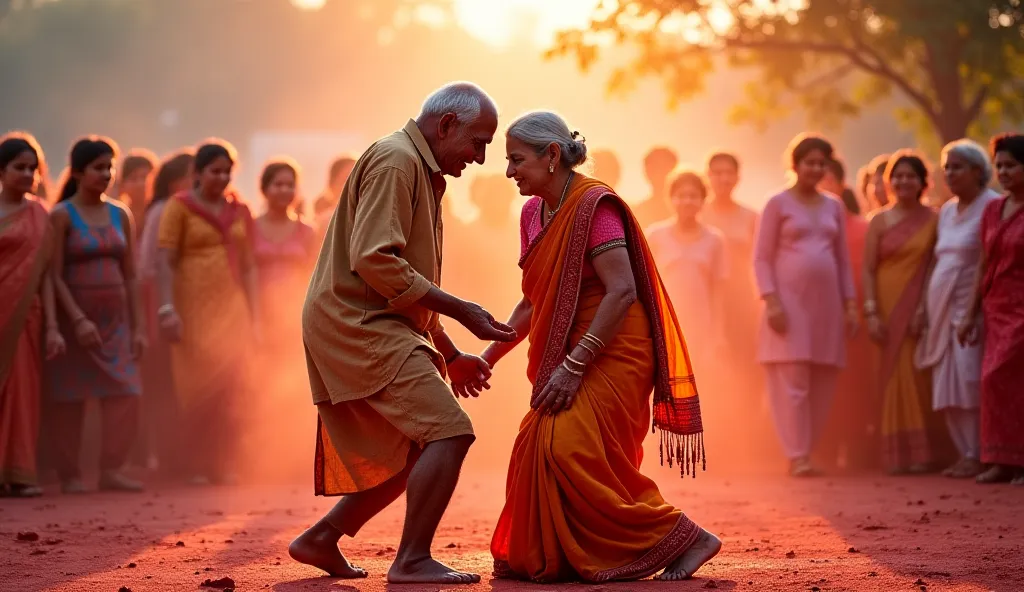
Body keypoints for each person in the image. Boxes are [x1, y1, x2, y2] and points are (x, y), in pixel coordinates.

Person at [291, 82, 516, 585]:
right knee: (449, 431)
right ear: (446, 126)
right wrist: (461, 310)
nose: (479, 158)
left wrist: (452, 352)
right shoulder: (398, 162)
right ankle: (412, 559)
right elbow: (375, 262)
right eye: (478, 142)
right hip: (360, 322)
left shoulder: (417, 165)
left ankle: (321, 539)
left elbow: (406, 278)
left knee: (415, 447)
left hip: (375, 319)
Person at [482, 111, 720, 583]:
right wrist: (488, 356)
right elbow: (536, 299)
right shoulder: (532, 213)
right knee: (537, 445)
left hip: (616, 347)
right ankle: (565, 552)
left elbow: (621, 291)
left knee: (570, 447)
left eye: (516, 160)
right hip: (573, 351)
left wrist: (574, 365)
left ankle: (687, 536)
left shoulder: (595, 206)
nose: (509, 172)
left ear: (552, 156)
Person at [753, 134, 859, 477]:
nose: (815, 168)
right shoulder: (777, 203)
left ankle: (808, 450)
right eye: (809, 162)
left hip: (826, 306)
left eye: (821, 163)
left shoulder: (834, 206)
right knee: (793, 380)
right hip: (788, 305)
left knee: (824, 379)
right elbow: (761, 258)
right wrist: (771, 300)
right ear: (795, 165)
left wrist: (851, 304)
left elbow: (842, 260)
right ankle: (797, 455)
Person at [156, 139, 259, 486]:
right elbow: (165, 261)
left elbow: (249, 268)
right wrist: (167, 308)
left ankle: (224, 464)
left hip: (232, 310)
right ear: (197, 173)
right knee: (195, 388)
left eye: (227, 172)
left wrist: (255, 317)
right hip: (192, 311)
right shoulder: (179, 207)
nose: (221, 178)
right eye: (215, 171)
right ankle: (196, 465)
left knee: (231, 389)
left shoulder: (239, 210)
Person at [48, 136, 145, 494]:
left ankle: (112, 469)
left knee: (127, 392)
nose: (106, 174)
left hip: (116, 321)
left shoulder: (121, 213)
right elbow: (53, 275)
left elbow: (132, 274)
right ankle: (70, 475)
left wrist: (139, 327)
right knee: (69, 398)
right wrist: (75, 320)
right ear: (76, 173)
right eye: (98, 168)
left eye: (110, 167)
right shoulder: (60, 216)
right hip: (77, 321)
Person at [916, 140, 1000, 479]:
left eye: (957, 167)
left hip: (972, 308)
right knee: (946, 383)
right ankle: (965, 452)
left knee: (969, 380)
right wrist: (923, 308)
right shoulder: (947, 210)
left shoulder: (992, 206)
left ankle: (982, 452)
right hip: (940, 308)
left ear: (978, 172)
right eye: (946, 167)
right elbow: (936, 260)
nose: (949, 173)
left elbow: (985, 261)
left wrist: (970, 312)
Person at [863, 151, 941, 474]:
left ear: (924, 182)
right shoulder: (878, 220)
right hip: (883, 307)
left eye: (910, 176)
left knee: (915, 375)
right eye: (897, 176)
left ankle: (922, 454)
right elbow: (868, 270)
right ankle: (894, 457)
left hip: (918, 308)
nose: (903, 181)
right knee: (889, 375)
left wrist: (923, 307)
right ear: (888, 181)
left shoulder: (936, 219)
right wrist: (870, 312)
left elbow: (934, 266)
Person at [958, 133, 1024, 485]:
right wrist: (969, 313)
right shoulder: (992, 210)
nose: (1003, 172)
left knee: (1013, 381)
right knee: (993, 382)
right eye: (999, 166)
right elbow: (982, 264)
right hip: (995, 306)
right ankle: (999, 459)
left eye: (1011, 165)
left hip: (1022, 309)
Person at [0, 134, 63, 497]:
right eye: (19, 168)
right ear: (2, 171)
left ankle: (19, 474)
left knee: (21, 394)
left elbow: (48, 277)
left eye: (32, 169)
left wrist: (53, 326)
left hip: (25, 315)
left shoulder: (40, 215)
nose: (27, 174)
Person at [817, 155, 877, 471]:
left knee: (854, 386)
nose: (821, 184)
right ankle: (822, 452)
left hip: (855, 321)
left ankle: (857, 453)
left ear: (841, 183)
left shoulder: (863, 227)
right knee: (822, 387)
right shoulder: (808, 225)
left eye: (827, 178)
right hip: (817, 319)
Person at [136, 150, 194, 475]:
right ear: (175, 180)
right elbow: (147, 266)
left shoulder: (190, 209)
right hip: (161, 304)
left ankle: (178, 456)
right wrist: (160, 308)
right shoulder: (161, 209)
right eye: (190, 175)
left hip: (186, 303)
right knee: (163, 381)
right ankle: (164, 457)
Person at [646, 168, 728, 375]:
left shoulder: (715, 240)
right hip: (663, 323)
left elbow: (718, 291)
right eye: (681, 196)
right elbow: (644, 284)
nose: (687, 201)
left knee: (698, 380)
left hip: (700, 324)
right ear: (670, 199)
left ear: (703, 200)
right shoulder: (655, 235)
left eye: (693, 196)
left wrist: (718, 335)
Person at [632, 146, 678, 228]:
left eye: (665, 167)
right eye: (655, 168)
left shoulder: (689, 210)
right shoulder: (639, 212)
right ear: (646, 172)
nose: (660, 173)